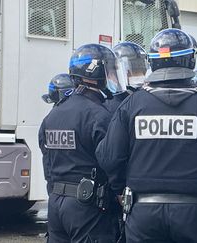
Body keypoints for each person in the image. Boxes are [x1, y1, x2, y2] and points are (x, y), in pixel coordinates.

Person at [96, 29, 197, 243]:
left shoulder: (131, 105)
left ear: (153, 62)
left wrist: (120, 190)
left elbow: (109, 156)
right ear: (189, 60)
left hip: (144, 214)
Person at [38, 43, 126, 242]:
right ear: (98, 74)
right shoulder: (98, 116)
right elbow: (111, 162)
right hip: (87, 208)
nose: (112, 77)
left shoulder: (52, 116)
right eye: (110, 71)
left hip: (55, 205)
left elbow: (47, 163)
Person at [104, 42, 149, 114]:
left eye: (141, 68)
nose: (140, 74)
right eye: (135, 70)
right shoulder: (111, 106)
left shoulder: (147, 98)